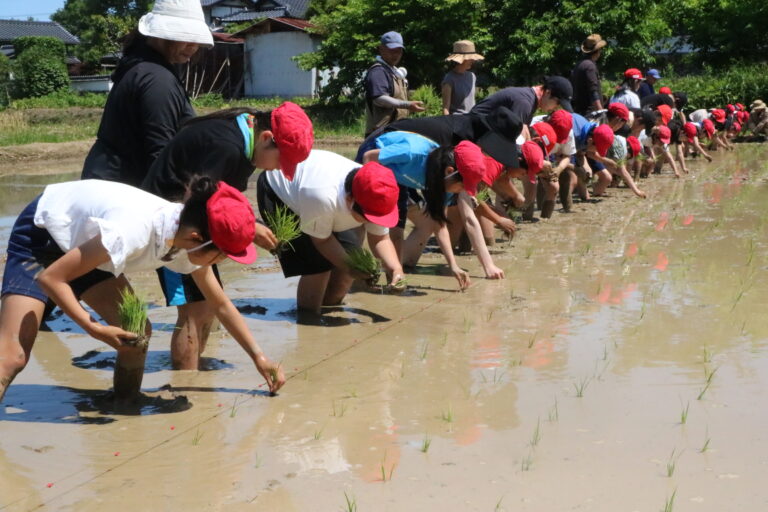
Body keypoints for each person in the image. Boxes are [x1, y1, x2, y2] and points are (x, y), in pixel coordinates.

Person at [0, 178, 286, 403]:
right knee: (13, 356)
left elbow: (221, 305)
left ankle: (125, 402)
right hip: (44, 236)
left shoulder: (187, 239)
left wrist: (259, 357)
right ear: (197, 238)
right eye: (223, 255)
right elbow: (52, 278)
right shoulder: (133, 230)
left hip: (89, 247)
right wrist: (94, 328)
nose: (222, 262)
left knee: (135, 331)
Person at [140, 102, 314, 370]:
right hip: (175, 230)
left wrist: (249, 222)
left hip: (190, 224)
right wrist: (251, 229)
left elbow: (222, 195)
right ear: (267, 138)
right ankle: (185, 384)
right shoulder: (228, 147)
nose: (279, 169)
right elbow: (200, 200)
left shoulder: (245, 133)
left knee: (206, 306)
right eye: (282, 160)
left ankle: (192, 371)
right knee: (194, 310)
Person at [81, 0, 213, 186]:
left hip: (106, 183)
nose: (193, 46)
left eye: (196, 40)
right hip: (121, 192)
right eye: (186, 37)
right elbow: (161, 155)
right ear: (161, 35)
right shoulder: (156, 80)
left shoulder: (140, 66)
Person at [257, 153, 406, 314]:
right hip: (281, 191)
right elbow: (322, 242)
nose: (371, 222)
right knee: (318, 266)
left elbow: (380, 238)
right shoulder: (322, 195)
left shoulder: (376, 191)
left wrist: (396, 269)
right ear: (350, 200)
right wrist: (349, 265)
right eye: (367, 217)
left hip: (320, 199)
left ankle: (327, 309)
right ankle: (308, 319)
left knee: (349, 263)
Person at [361, 130, 507, 280]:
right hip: (374, 159)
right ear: (450, 171)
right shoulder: (413, 152)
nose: (461, 192)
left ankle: (394, 278)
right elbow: (369, 157)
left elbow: (439, 223)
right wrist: (366, 196)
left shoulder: (446, 183)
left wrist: (453, 265)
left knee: (397, 231)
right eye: (462, 186)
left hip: (400, 177)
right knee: (362, 223)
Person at [363, 31, 425, 136]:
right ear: (381, 49)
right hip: (380, 135)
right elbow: (379, 99)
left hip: (396, 132)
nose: (396, 55)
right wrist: (407, 104)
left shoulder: (394, 72)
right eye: (392, 51)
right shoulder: (378, 72)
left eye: (399, 51)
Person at [471, 76, 574, 126]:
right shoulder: (525, 103)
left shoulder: (531, 100)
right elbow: (512, 139)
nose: (556, 107)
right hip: (472, 130)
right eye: (557, 102)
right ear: (547, 92)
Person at [442, 40, 484, 115]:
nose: (473, 60)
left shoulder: (472, 76)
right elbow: (446, 108)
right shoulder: (449, 78)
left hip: (471, 119)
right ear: (461, 60)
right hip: (456, 121)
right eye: (470, 58)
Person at [571, 34, 606, 115]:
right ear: (597, 51)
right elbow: (593, 90)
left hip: (579, 110)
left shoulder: (580, 64)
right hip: (590, 113)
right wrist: (600, 111)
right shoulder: (590, 67)